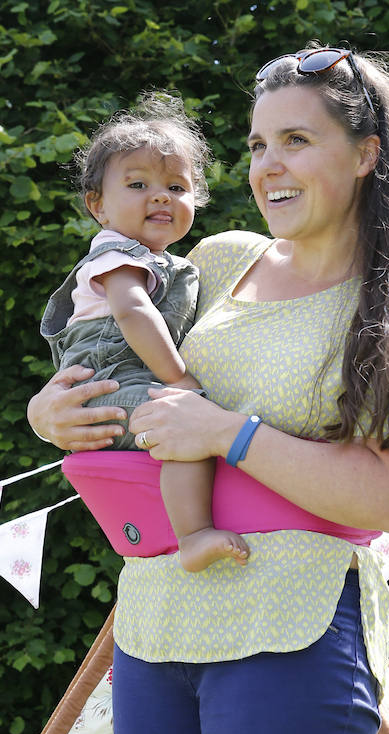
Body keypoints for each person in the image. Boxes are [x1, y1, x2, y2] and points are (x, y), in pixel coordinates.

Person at [28, 43, 389, 734]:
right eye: (256, 144)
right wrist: (50, 413)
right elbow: (113, 356)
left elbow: (388, 498)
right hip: (155, 621)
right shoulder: (216, 260)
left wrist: (228, 435)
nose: (268, 165)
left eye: (297, 141)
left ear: (367, 155)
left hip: (291, 627)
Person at [39, 91, 249, 573]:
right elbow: (134, 315)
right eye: (138, 184)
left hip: (128, 381)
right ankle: (193, 535)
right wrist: (178, 380)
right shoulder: (116, 256)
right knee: (184, 429)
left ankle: (182, 528)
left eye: (177, 187)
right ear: (99, 206)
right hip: (109, 385)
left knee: (183, 430)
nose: (161, 196)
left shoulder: (165, 263)